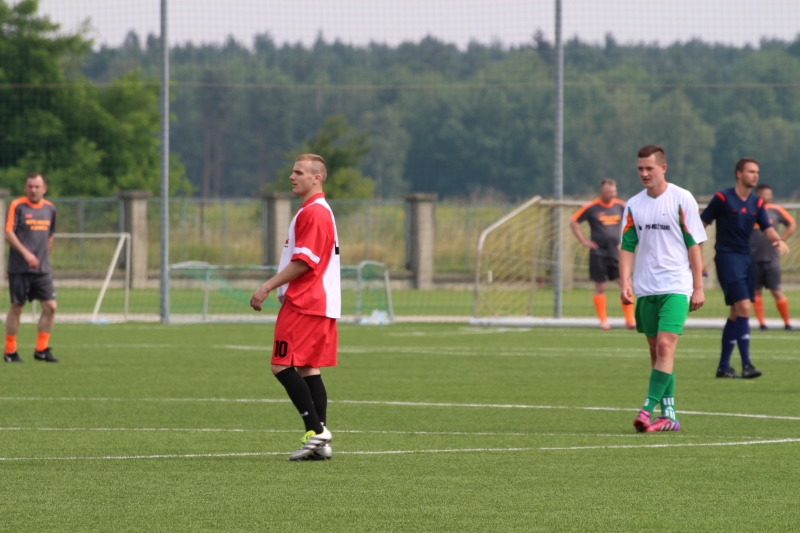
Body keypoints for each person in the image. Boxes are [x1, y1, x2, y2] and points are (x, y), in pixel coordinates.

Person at [250, 154, 340, 461]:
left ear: (317, 178)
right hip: (319, 302)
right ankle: (320, 443)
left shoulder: (314, 213)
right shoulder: (315, 210)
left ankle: (316, 431)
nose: (292, 176)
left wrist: (268, 286)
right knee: (308, 367)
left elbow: (304, 262)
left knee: (281, 365)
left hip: (305, 302)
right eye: (293, 171)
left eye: (299, 172)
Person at [620, 145, 706, 433]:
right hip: (646, 288)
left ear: (663, 168)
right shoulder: (633, 204)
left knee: (666, 346)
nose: (644, 173)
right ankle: (669, 414)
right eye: (640, 169)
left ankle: (647, 409)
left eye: (650, 168)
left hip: (676, 286)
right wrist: (625, 281)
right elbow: (627, 246)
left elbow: (694, 246)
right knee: (657, 351)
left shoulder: (682, 198)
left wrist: (698, 287)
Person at [700, 159, 789, 379]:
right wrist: (697, 258)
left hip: (746, 259)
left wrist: (778, 241)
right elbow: (701, 225)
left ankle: (723, 367)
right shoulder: (722, 198)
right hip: (727, 259)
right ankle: (747, 364)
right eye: (751, 171)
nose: (755, 175)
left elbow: (768, 228)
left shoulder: (756, 202)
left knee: (736, 312)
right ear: (739, 174)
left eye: (757, 171)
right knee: (744, 307)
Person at [4, 173, 58, 363]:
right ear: (25, 188)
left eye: (37, 187)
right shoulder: (17, 206)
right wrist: (27, 255)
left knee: (51, 307)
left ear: (44, 189)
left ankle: (41, 350)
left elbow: (50, 235)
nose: (33, 190)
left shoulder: (50, 208)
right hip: (20, 268)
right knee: (17, 307)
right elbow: (8, 233)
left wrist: (44, 258)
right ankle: (10, 351)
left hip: (42, 270)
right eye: (30, 186)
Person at [570, 179, 635, 330]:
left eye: (614, 191)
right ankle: (603, 321)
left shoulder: (621, 205)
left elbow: (632, 222)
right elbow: (573, 221)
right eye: (608, 192)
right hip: (598, 253)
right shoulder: (591, 207)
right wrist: (583, 240)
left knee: (626, 284)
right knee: (601, 286)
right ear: (601, 192)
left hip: (616, 253)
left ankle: (630, 320)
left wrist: (624, 241)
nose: (612, 194)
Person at [750, 184, 795, 331]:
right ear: (758, 195)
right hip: (752, 258)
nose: (769, 196)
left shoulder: (776, 210)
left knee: (776, 290)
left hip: (772, 258)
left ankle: (787, 323)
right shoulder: (749, 210)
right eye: (766, 194)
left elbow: (792, 224)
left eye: (770, 194)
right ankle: (762, 324)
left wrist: (781, 240)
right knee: (756, 291)